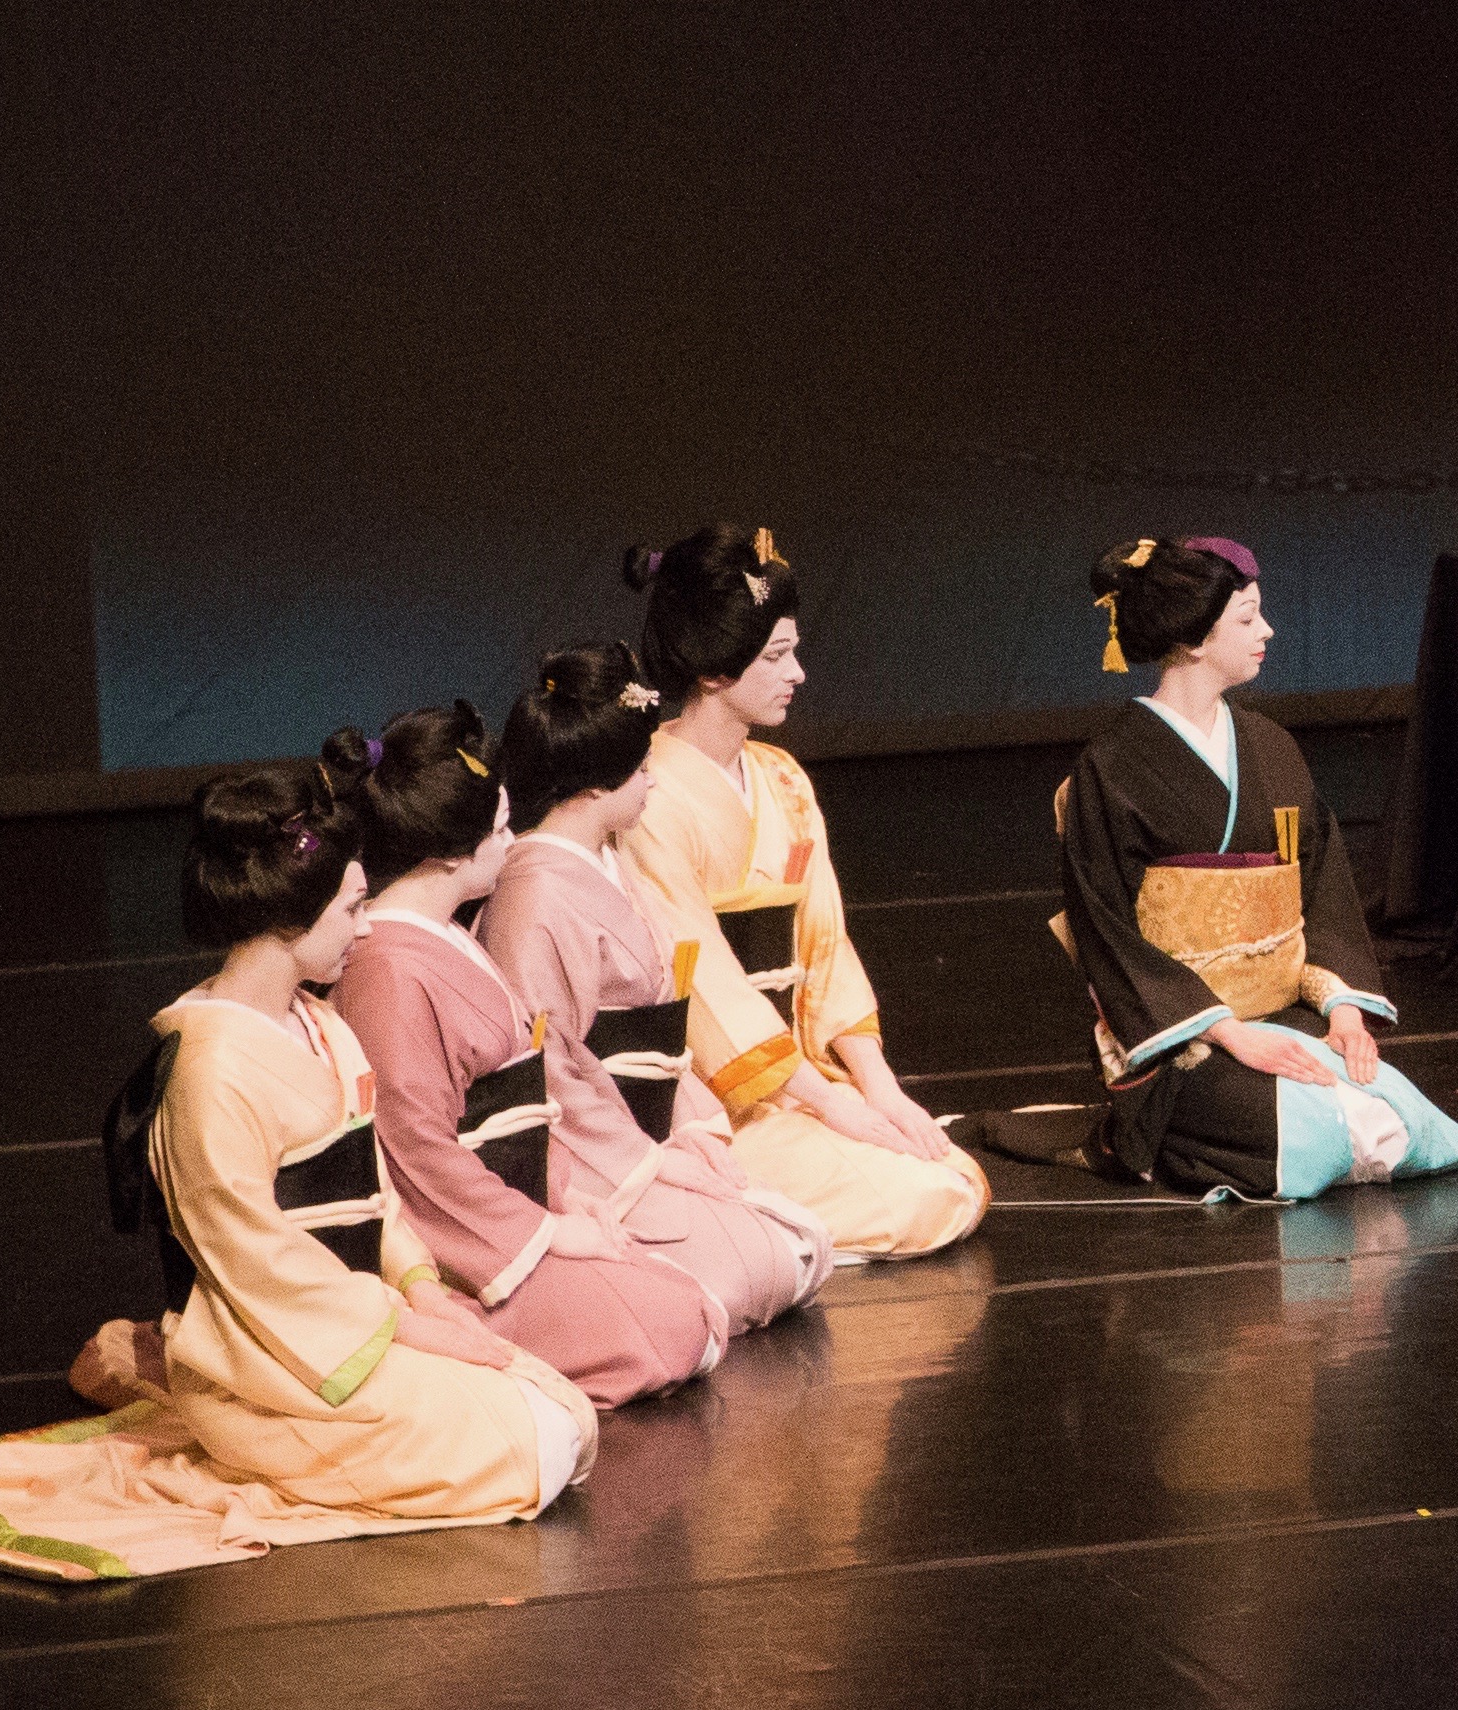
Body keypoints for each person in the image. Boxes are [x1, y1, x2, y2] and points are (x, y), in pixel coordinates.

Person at [0, 763, 593, 1581]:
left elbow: (373, 1193)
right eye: (352, 907)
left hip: (354, 1328)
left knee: (556, 1407)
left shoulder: (321, 1024)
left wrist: (422, 1288)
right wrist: (407, 1327)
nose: (365, 928)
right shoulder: (210, 1072)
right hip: (268, 1363)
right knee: (535, 1443)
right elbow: (257, 1263)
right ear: (290, 917)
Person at [331, 704, 729, 1405]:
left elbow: (522, 1102)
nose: (513, 842)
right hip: (466, 1246)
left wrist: (568, 1195)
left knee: (691, 1300)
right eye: (499, 829)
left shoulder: (445, 937)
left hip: (521, 1199)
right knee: (669, 1327)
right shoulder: (388, 968)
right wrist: (541, 1231)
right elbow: (417, 1148)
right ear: (451, 851)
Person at [610, 523, 990, 1255]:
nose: (799, 674)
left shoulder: (782, 778)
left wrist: (877, 1088)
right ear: (714, 669)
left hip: (796, 1072)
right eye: (776, 656)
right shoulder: (651, 797)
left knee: (952, 1171)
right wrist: (828, 1106)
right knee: (927, 1199)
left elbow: (826, 949)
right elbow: (704, 981)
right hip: (713, 1093)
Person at [1059, 535, 1458, 1198]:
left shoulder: (1272, 747)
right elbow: (1106, 931)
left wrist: (1344, 1012)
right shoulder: (1112, 767)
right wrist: (1230, 1033)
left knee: (1402, 1123)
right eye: (1248, 617)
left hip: (1285, 1013)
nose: (1268, 631)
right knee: (1322, 1136)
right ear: (1194, 638)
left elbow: (1323, 890)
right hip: (1181, 1036)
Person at [488, 643, 836, 1334]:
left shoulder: (610, 863)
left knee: (796, 1245)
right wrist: (649, 1160)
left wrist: (693, 1129)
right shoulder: (535, 895)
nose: (652, 783)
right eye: (642, 769)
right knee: (757, 1270)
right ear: (596, 785)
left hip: (656, 1131)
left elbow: (663, 1045)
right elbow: (553, 1072)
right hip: (596, 1156)